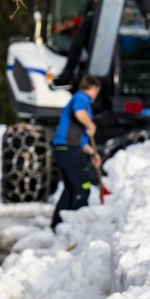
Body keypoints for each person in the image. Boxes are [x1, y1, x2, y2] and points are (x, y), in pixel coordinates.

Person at [51, 75, 103, 229]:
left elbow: (81, 141)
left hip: (64, 148)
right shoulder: (82, 97)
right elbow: (79, 112)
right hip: (69, 148)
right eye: (97, 91)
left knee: (70, 188)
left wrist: (92, 154)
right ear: (92, 88)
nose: (96, 95)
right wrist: (91, 125)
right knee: (82, 186)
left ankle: (58, 225)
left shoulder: (78, 98)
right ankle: (77, 227)